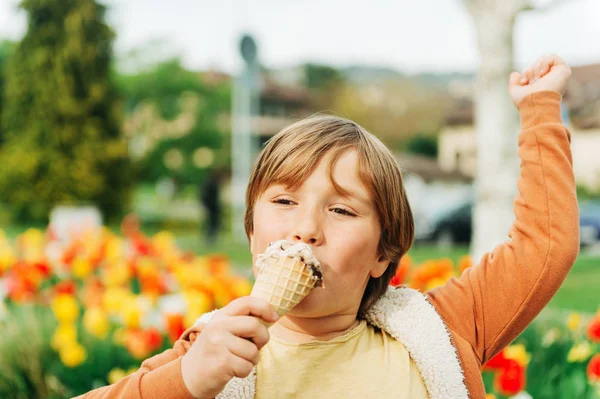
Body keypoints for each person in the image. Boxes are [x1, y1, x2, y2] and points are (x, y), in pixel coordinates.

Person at [77, 55, 579, 399]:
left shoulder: (443, 330)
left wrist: (538, 109)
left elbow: (545, 246)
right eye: (284, 200)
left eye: (341, 210)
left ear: (384, 252)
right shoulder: (209, 351)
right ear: (253, 233)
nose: (306, 229)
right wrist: (185, 381)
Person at [199, 168, 223, 245]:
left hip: (212, 206)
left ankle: (211, 238)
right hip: (212, 206)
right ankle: (210, 238)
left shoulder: (209, 182)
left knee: (212, 223)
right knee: (211, 223)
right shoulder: (210, 183)